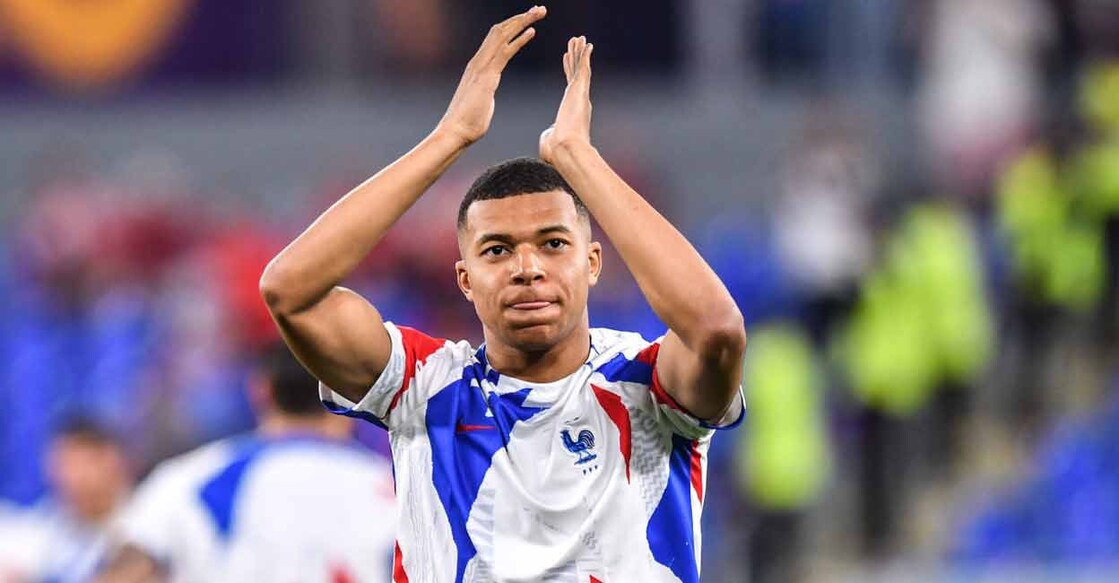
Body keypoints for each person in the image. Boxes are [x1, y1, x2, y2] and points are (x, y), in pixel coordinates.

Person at [259, 6, 747, 582]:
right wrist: (449, 137)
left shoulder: (644, 386)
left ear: (593, 263)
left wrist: (579, 159)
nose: (527, 268)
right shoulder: (424, 387)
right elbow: (290, 291)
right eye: (496, 250)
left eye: (554, 244)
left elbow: (717, 330)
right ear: (464, 279)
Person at [96, 342, 397, 583]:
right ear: (348, 396)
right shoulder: (390, 488)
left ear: (261, 390)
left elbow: (123, 573)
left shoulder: (194, 477)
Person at [0, 418, 133, 582]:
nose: (69, 477)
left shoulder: (142, 524)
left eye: (80, 464)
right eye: (61, 465)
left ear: (112, 461)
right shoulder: (55, 521)